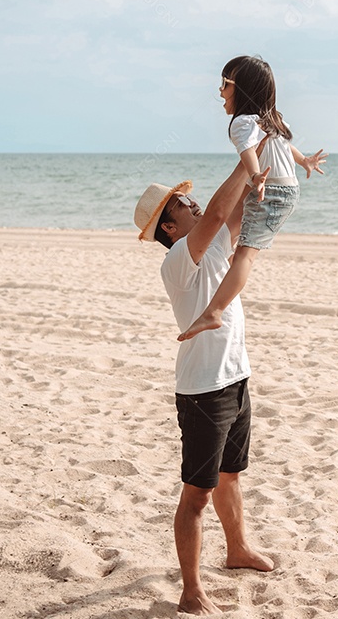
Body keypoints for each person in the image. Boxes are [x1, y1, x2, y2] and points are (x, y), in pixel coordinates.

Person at [134, 168, 275, 615]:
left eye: (188, 199)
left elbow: (236, 212)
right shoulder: (177, 260)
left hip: (235, 377)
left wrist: (261, 168)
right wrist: (243, 163)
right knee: (197, 494)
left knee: (231, 475)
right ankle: (191, 591)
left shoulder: (212, 247)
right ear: (168, 228)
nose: (191, 203)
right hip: (203, 392)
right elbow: (215, 212)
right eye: (181, 204)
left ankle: (238, 549)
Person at [178, 55, 326, 342]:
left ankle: (214, 311)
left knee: (245, 255)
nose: (220, 90)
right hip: (287, 190)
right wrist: (304, 161)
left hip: (270, 190)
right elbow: (285, 147)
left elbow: (248, 150)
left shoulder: (242, 123)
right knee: (239, 247)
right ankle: (223, 276)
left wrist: (256, 175)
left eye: (225, 83)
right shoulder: (271, 119)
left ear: (243, 88)